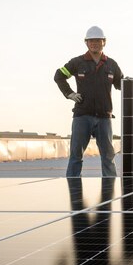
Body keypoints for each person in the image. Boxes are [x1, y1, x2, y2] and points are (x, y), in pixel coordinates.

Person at [54, 26, 124, 177]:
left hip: (105, 118)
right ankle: (73, 192)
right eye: (91, 41)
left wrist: (132, 85)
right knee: (75, 157)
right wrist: (69, 93)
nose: (94, 43)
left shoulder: (111, 65)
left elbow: (120, 83)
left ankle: (109, 193)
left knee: (108, 158)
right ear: (86, 43)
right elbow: (59, 76)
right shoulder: (77, 62)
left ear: (104, 42)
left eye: (98, 40)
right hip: (82, 116)